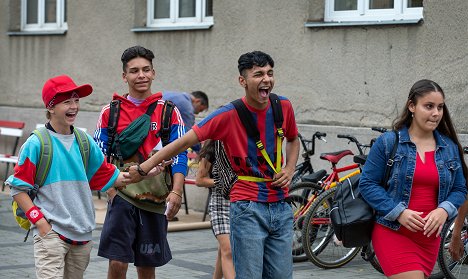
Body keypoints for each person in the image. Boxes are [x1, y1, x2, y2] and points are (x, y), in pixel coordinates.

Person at [127, 50, 300, 278]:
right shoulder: (227, 115)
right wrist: (143, 168)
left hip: (280, 205)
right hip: (247, 207)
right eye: (258, 74)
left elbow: (293, 139)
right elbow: (182, 142)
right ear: (243, 81)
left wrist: (289, 168)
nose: (266, 79)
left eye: (270, 73)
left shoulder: (282, 106)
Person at [5, 75, 132, 278]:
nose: (74, 106)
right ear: (51, 107)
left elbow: (111, 177)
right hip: (51, 234)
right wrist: (41, 224)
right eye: (67, 102)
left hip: (82, 236)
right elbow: (18, 189)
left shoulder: (84, 141)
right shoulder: (36, 143)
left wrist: (145, 171)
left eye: (76, 100)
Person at [93, 45, 188, 279]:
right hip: (122, 196)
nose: (141, 75)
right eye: (134, 71)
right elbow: (97, 155)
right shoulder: (110, 112)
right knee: (117, 263)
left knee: (146, 267)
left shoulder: (169, 112)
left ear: (154, 73)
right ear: (124, 76)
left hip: (155, 199)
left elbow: (179, 155)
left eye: (146, 70)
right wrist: (112, 190)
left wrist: (176, 192)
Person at [359, 79, 468, 279]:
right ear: (412, 106)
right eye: (429, 106)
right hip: (393, 232)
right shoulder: (388, 142)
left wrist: (444, 209)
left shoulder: (449, 147)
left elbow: (460, 189)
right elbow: (367, 184)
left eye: (440, 107)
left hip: (429, 240)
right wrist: (399, 212)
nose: (436, 113)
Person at [195, 140, 235, 279]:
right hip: (219, 205)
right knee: (228, 250)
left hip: (240, 204)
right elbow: (199, 180)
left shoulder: (243, 145)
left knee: (224, 250)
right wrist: (223, 182)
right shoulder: (212, 149)